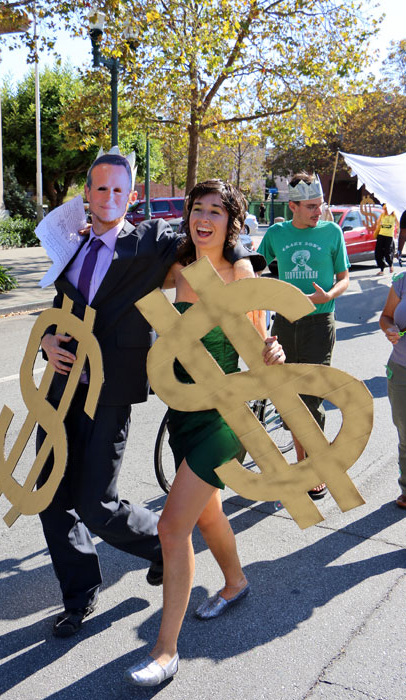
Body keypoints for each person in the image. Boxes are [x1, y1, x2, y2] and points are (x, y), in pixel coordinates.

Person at [37, 151, 261, 638]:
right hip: (58, 387)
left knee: (97, 503)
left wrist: (244, 261)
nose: (110, 198)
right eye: (101, 189)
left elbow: (216, 243)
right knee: (50, 494)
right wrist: (45, 340)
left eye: (120, 191)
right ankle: (79, 595)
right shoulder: (70, 247)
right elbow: (57, 309)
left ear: (132, 197)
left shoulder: (153, 243)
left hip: (111, 388)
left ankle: (164, 547)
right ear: (88, 196)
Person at [125, 180, 285, 687]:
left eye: (217, 211)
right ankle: (235, 583)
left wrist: (273, 352)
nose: (205, 217)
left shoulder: (238, 272)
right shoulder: (176, 269)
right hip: (183, 415)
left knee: (173, 528)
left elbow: (259, 344)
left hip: (223, 417)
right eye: (198, 208)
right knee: (209, 514)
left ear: (230, 223)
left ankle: (165, 651)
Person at [257, 172, 350, 500]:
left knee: (309, 399)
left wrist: (329, 295)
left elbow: (344, 277)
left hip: (319, 324)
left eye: (319, 205)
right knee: (288, 396)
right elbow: (253, 265)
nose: (318, 211)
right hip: (284, 323)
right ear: (292, 205)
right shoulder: (277, 233)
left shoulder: (332, 232)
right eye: (311, 206)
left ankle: (309, 468)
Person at [379, 270, 406, 509]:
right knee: (405, 432)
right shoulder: (402, 281)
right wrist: (390, 329)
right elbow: (386, 316)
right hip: (401, 370)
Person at [374, 203, 398, 276]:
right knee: (378, 252)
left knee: (387, 252)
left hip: (389, 236)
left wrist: (396, 232)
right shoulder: (382, 215)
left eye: (387, 209)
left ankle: (391, 265)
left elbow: (398, 224)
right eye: (385, 209)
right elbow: (377, 223)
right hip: (381, 235)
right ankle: (382, 269)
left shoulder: (394, 216)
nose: (386, 210)